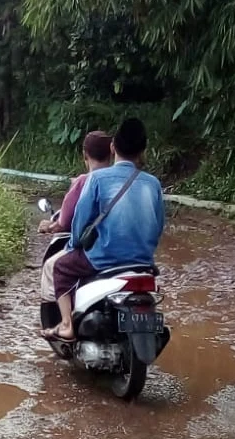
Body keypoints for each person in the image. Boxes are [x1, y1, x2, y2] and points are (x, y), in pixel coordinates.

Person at [42, 118, 165, 342]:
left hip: (104, 259)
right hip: (143, 262)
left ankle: (67, 325)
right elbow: (157, 228)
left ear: (113, 147)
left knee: (60, 268)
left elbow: (79, 224)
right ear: (143, 151)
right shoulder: (153, 184)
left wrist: (73, 246)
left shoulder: (97, 179)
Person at [39, 130, 113, 303]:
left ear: (84, 154)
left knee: (52, 267)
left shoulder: (83, 182)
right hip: (125, 252)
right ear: (111, 152)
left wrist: (48, 226)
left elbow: (65, 223)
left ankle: (59, 323)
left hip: (95, 251)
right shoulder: (123, 181)